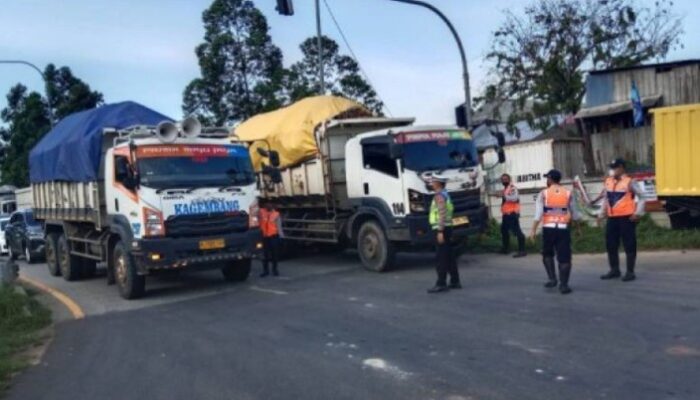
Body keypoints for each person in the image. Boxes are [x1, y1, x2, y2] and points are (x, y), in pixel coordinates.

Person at [529, 169, 581, 295]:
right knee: (565, 258)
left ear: (550, 179)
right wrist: (579, 229)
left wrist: (533, 230)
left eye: (547, 178)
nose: (547, 180)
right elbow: (575, 214)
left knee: (547, 254)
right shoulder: (568, 193)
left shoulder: (544, 193)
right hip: (563, 229)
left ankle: (552, 279)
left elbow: (538, 214)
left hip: (549, 229)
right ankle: (564, 285)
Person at [597, 158, 645, 282]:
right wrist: (601, 213)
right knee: (611, 244)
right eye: (612, 167)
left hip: (627, 218)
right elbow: (607, 199)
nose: (613, 170)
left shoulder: (630, 181)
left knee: (629, 244)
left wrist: (638, 213)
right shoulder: (608, 181)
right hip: (612, 218)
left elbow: (642, 196)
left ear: (622, 168)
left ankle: (630, 272)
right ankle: (614, 270)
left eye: (615, 167)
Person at [427, 174, 461, 294]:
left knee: (441, 257)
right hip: (447, 227)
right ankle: (455, 281)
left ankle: (441, 283)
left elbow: (441, 213)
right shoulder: (446, 194)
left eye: (433, 181)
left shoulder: (439, 196)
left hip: (440, 228)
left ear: (438, 183)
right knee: (450, 255)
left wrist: (440, 231)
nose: (431, 183)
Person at [500, 173, 527, 258]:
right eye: (503, 179)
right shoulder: (506, 188)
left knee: (517, 231)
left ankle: (522, 250)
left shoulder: (512, 188)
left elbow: (515, 198)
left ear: (509, 179)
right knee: (504, 230)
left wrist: (504, 196)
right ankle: (506, 249)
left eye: (505, 179)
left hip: (512, 213)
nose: (504, 181)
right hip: (506, 214)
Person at [259, 201, 282, 277]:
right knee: (265, 255)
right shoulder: (261, 212)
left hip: (273, 236)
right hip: (265, 237)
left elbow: (279, 227)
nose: (268, 206)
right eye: (266, 204)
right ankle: (265, 271)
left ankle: (275, 270)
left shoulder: (276, 214)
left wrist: (281, 237)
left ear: (272, 206)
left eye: (270, 204)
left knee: (274, 255)